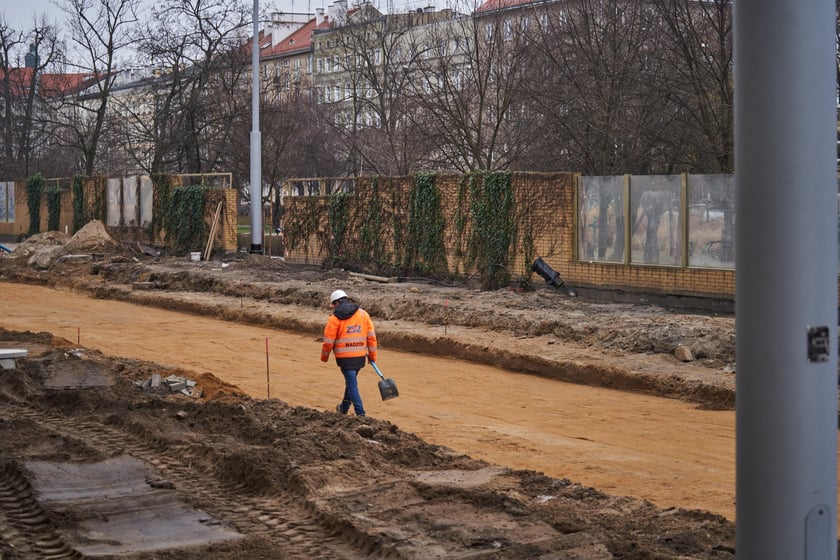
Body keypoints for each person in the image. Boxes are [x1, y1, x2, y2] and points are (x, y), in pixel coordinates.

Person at [320, 289, 378, 416]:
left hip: (344, 359)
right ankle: (343, 408)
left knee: (352, 386)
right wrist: (372, 357)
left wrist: (324, 357)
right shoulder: (363, 314)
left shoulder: (334, 319)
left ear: (336, 303)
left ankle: (360, 414)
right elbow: (372, 338)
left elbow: (328, 342)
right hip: (359, 358)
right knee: (351, 382)